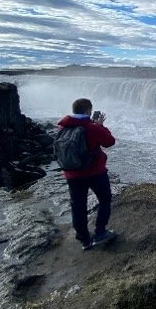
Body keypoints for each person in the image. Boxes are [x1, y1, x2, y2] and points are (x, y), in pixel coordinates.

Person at [57, 98, 117, 251]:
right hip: (95, 172)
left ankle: (84, 240)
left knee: (78, 205)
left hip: (72, 174)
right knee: (105, 200)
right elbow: (109, 142)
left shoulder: (63, 127)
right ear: (88, 111)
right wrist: (101, 126)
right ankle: (100, 233)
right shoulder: (91, 128)